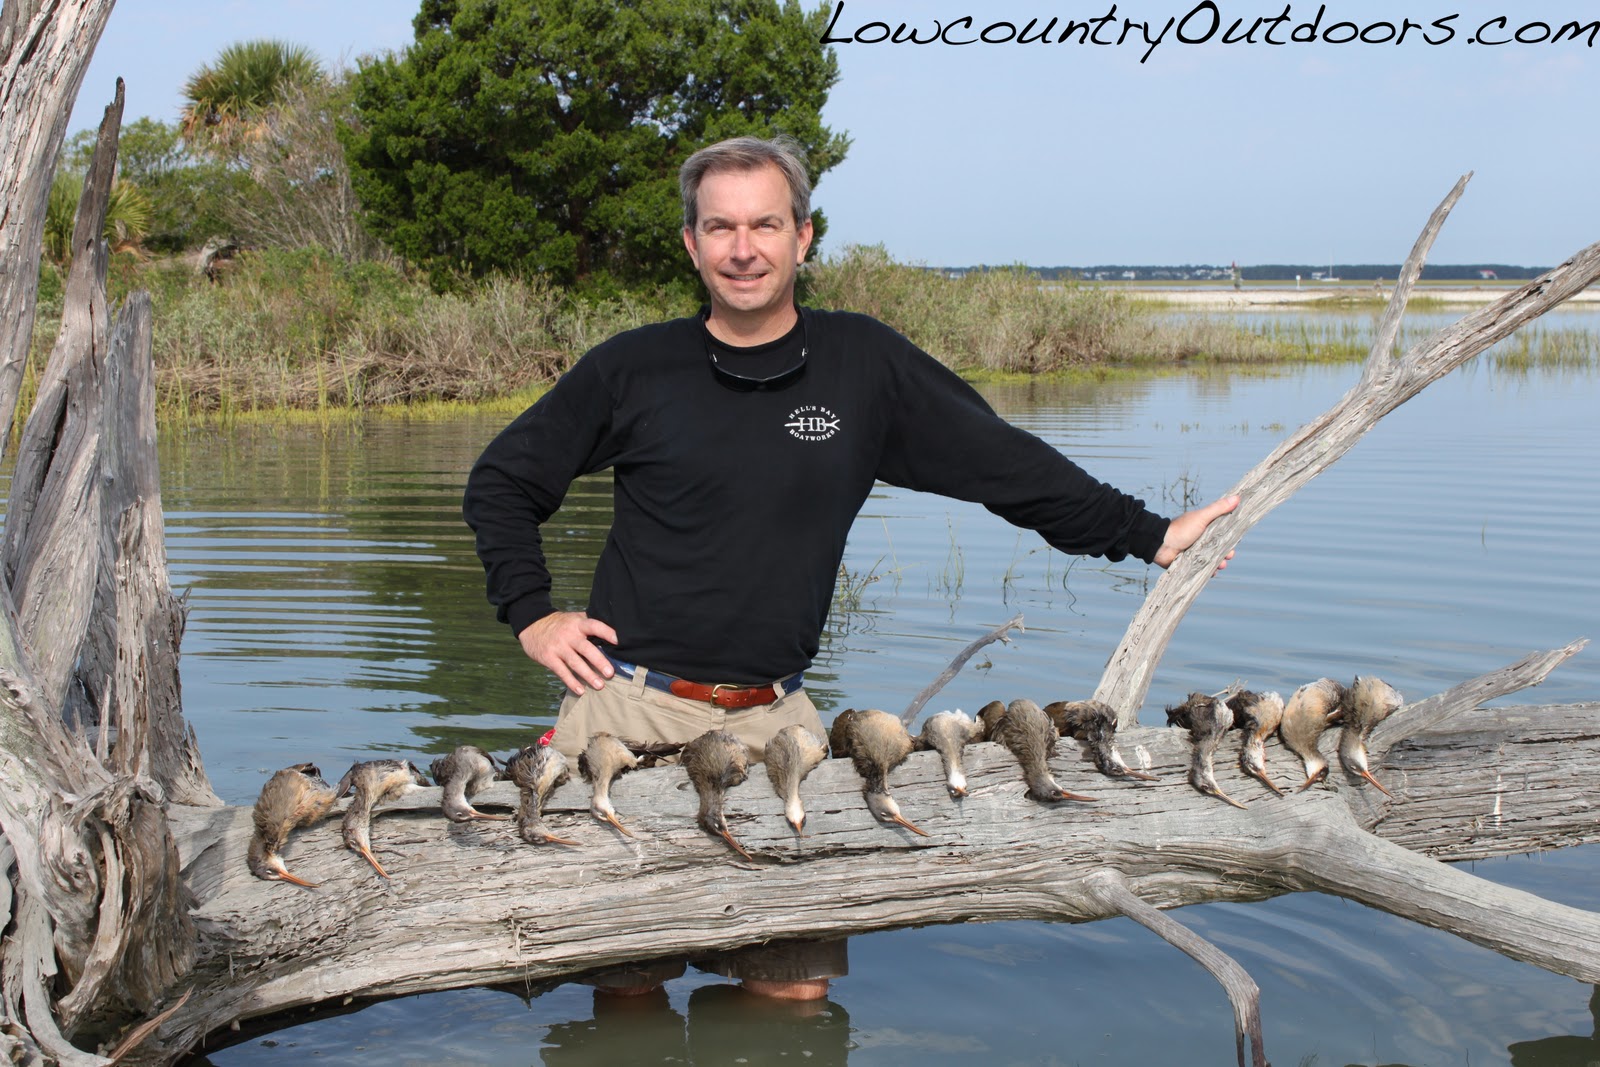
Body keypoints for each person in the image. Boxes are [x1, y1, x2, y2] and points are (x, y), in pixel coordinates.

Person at [464, 134, 1238, 1000]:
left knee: (795, 990)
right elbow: (502, 481)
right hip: (628, 706)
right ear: (691, 244)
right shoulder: (633, 369)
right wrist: (533, 612)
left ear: (803, 235)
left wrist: (1149, 534)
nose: (742, 247)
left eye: (764, 223)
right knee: (630, 989)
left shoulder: (862, 366)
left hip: (774, 714)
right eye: (719, 227)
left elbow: (1005, 465)